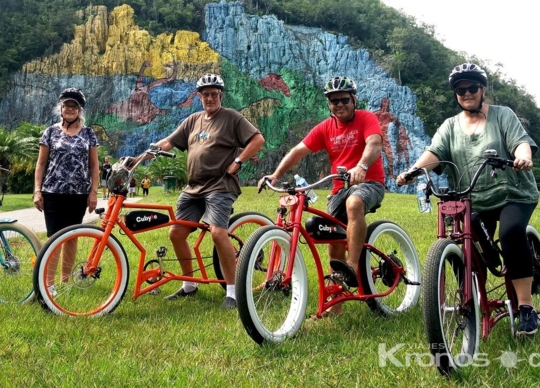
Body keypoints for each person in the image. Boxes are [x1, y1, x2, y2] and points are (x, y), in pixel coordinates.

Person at [396, 63, 540, 337]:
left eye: (472, 88)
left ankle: (526, 307)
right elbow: (435, 152)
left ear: (482, 90)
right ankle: (472, 297)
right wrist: (414, 171)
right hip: (473, 197)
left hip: (512, 192)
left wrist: (524, 157)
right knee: (459, 240)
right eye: (461, 90)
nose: (466, 93)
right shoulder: (450, 125)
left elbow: (520, 141)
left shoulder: (502, 116)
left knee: (510, 233)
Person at [258, 76, 385, 313]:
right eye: (334, 101)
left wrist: (362, 166)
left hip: (369, 182)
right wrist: (274, 176)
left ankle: (352, 266)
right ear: (329, 104)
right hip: (338, 189)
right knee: (330, 236)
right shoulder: (326, 127)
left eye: (344, 99)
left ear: (354, 99)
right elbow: (298, 151)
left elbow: (374, 144)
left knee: (355, 203)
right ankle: (335, 301)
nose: (339, 105)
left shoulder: (367, 118)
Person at [154, 73, 265, 309]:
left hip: (220, 186)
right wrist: (145, 154)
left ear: (220, 96)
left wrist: (239, 161)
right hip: (193, 188)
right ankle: (189, 285)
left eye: (214, 94)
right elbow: (169, 142)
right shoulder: (193, 120)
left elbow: (257, 139)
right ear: (199, 97)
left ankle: (234, 292)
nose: (210, 98)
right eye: (206, 94)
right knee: (176, 233)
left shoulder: (231, 118)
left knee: (217, 233)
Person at [34, 87, 100, 296]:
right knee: (54, 236)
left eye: (74, 106)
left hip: (79, 194)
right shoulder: (50, 132)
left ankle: (65, 281)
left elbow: (94, 166)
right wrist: (37, 190)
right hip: (53, 191)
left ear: (80, 110)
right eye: (67, 105)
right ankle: (49, 284)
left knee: (72, 236)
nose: (70, 109)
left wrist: (93, 192)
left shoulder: (89, 133)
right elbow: (41, 163)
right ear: (60, 108)